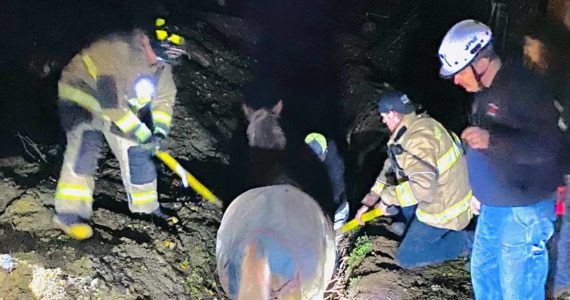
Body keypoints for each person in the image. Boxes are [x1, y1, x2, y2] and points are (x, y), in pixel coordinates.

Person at [438, 19, 566, 299]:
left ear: (478, 62)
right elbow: (488, 148)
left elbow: (549, 146)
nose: (456, 80)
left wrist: (491, 140)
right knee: (484, 278)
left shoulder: (523, 87)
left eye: (459, 72)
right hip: (494, 206)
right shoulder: (484, 95)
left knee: (516, 289)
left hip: (524, 208)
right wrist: (477, 189)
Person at [53, 26, 182, 240]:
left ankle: (147, 213)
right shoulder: (115, 49)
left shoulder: (161, 66)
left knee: (137, 150)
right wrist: (141, 131)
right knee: (87, 140)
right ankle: (69, 215)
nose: (161, 62)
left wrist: (158, 132)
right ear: (147, 40)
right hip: (82, 92)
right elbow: (111, 105)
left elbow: (164, 98)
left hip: (117, 105)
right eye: (160, 55)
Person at [355, 90, 473, 269]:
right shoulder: (417, 126)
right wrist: (370, 202)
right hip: (444, 192)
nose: (383, 121)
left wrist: (388, 197)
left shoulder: (417, 140)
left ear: (394, 115)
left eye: (384, 117)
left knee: (407, 257)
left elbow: (424, 189)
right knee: (397, 198)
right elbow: (390, 170)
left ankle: (467, 241)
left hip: (447, 209)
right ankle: (410, 225)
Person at [304, 132, 350, 241]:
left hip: (337, 206)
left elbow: (336, 192)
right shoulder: (305, 157)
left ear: (325, 152)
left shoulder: (334, 168)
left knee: (334, 236)